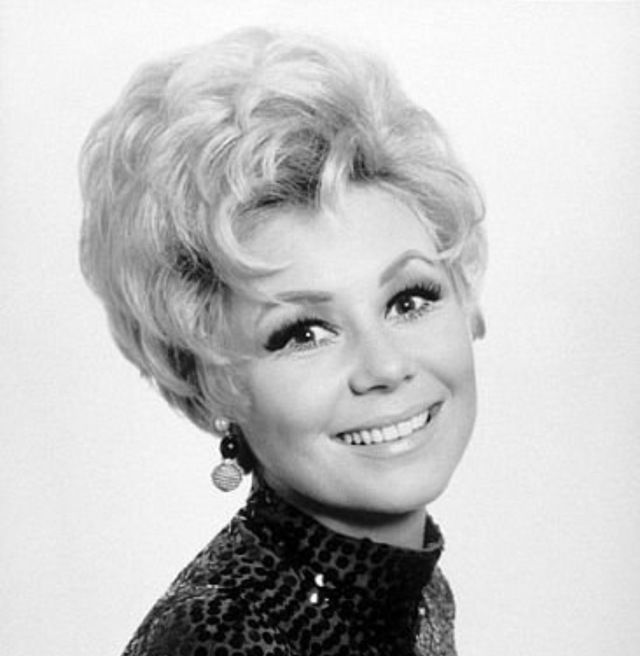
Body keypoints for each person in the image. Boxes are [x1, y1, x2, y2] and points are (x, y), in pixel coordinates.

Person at [79, 27, 486, 656]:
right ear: (211, 380)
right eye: (303, 333)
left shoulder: (411, 591)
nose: (384, 366)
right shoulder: (220, 637)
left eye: (408, 300)